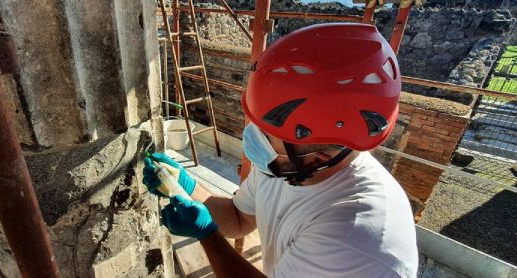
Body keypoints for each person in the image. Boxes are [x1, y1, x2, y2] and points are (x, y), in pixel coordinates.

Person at [143, 23, 418, 277]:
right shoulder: (285, 165)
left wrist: (207, 235)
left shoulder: (356, 236)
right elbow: (239, 220)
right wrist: (186, 186)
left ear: (319, 155)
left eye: (268, 133)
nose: (253, 136)